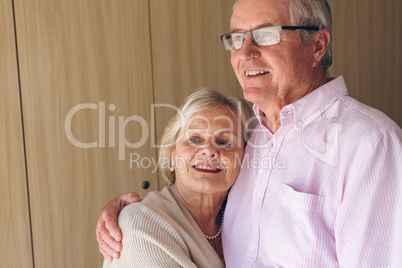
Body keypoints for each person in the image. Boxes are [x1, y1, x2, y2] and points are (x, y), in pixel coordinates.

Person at [97, 0, 402, 267]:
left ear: (318, 46)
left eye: (266, 35)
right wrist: (128, 216)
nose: (245, 53)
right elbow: (199, 199)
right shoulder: (247, 137)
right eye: (237, 38)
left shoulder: (370, 143)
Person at [102, 88, 253, 267]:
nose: (209, 151)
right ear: (172, 154)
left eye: (225, 142)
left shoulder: (247, 216)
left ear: (244, 156)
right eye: (194, 140)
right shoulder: (140, 223)